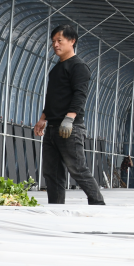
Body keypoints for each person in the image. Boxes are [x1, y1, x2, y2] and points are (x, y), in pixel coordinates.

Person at [33, 24, 105, 205]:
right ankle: (56, 207)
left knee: (78, 169)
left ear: (72, 41)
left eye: (60, 41)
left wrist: (69, 118)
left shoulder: (79, 67)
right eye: (53, 41)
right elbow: (52, 97)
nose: (55, 45)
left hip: (69, 127)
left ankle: (98, 204)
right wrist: (43, 119)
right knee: (52, 172)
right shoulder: (56, 69)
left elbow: (80, 95)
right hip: (52, 127)